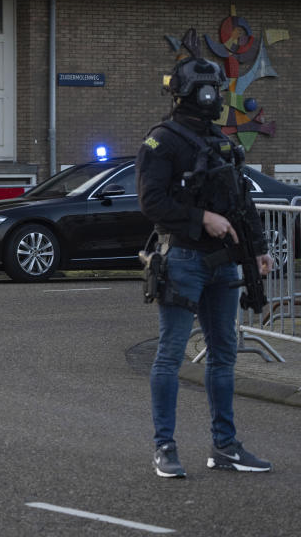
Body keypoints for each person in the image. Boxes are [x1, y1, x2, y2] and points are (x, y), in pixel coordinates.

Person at [136, 49, 274, 478]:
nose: (212, 96)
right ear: (186, 92)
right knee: (171, 354)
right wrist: (201, 219)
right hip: (183, 259)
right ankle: (165, 447)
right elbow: (151, 201)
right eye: (206, 88)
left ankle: (226, 447)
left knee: (223, 355)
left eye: (216, 88)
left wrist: (259, 247)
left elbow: (242, 201)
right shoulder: (161, 140)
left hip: (225, 264)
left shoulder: (223, 141)